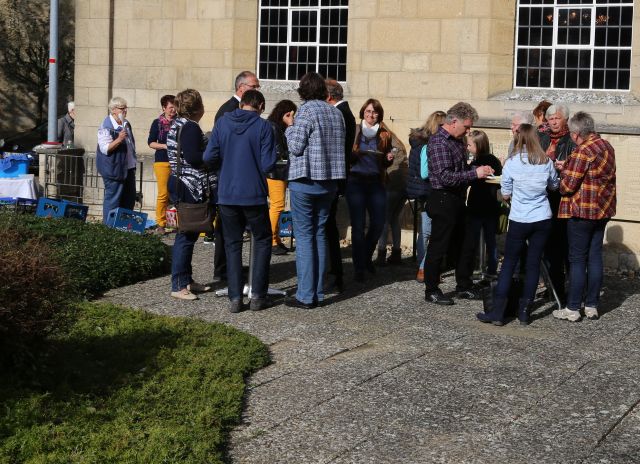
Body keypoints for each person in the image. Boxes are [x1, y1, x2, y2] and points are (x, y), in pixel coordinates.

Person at [477, 124, 559, 326]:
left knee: (509, 264)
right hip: (542, 217)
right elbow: (554, 185)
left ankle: (498, 312)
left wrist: (513, 194)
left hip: (520, 218)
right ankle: (524, 312)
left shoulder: (512, 163)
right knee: (533, 265)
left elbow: (505, 192)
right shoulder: (545, 161)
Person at [204, 90, 276, 313]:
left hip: (227, 193)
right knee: (263, 240)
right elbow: (268, 164)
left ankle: (235, 297)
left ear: (242, 103)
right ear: (261, 106)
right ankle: (257, 296)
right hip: (253, 194)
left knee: (232, 244)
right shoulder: (264, 127)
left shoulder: (223, 124)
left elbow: (208, 157)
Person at [284, 72, 346, 309]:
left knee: (305, 237)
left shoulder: (306, 111)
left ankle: (306, 295)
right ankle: (317, 292)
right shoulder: (335, 112)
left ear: (302, 91)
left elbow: (296, 147)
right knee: (319, 234)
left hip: (306, 179)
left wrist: (289, 126)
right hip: (329, 181)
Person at [423, 102, 493, 306]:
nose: (468, 131)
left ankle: (463, 285)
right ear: (454, 122)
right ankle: (431, 289)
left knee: (464, 244)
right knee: (439, 245)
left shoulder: (456, 140)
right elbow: (445, 177)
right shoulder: (439, 142)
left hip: (457, 198)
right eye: (466, 126)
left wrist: (478, 169)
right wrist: (474, 173)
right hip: (442, 198)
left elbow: (460, 169)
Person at [552, 112, 616, 322]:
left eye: (571, 133)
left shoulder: (582, 151)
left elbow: (567, 187)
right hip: (603, 209)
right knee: (595, 256)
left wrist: (562, 173)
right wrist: (568, 166)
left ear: (577, 133)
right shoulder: (606, 146)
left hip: (582, 212)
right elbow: (594, 174)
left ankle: (572, 308)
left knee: (577, 259)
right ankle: (591, 305)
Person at [209, 71, 261, 283]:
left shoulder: (239, 109)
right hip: (230, 177)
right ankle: (223, 269)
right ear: (241, 88)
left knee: (232, 227)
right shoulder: (229, 110)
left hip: (234, 178)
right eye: (254, 86)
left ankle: (230, 267)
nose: (257, 91)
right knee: (227, 229)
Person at [166, 89, 213, 301]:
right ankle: (178, 284)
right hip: (189, 184)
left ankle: (186, 279)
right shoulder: (191, 127)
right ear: (198, 108)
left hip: (179, 181)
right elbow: (194, 157)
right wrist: (212, 155)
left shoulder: (177, 124)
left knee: (188, 234)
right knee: (186, 236)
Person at [346, 98, 397, 281]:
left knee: (378, 223)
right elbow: (346, 157)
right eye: (368, 111)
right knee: (358, 226)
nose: (371, 115)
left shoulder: (384, 133)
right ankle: (359, 267)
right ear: (363, 113)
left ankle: (366, 256)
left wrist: (389, 158)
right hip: (356, 181)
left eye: (374, 112)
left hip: (376, 182)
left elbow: (385, 160)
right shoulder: (355, 131)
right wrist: (353, 155)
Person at [539, 103, 576, 305]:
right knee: (549, 246)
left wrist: (563, 167)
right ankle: (553, 287)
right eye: (550, 118)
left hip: (564, 197)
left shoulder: (572, 140)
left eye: (557, 118)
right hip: (545, 196)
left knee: (566, 246)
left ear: (565, 120)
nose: (553, 122)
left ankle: (572, 290)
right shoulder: (542, 138)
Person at [406, 110, 446, 283]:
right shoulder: (428, 145)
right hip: (428, 191)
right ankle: (424, 268)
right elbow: (424, 172)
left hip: (421, 191)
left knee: (425, 231)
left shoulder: (419, 141)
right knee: (429, 231)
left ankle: (422, 265)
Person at [325, 79, 356, 293]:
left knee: (328, 228)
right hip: (338, 177)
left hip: (334, 178)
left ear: (329, 97)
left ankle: (333, 275)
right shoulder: (344, 112)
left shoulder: (340, 114)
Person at [465, 130, 503, 278]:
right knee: (491, 240)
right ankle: (491, 269)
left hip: (477, 205)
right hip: (491, 205)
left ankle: (473, 267)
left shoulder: (476, 162)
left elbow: (469, 180)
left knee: (473, 239)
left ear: (478, 145)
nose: (467, 148)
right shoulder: (494, 160)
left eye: (469, 145)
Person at [96, 97, 137, 223]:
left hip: (128, 168)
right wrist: (119, 139)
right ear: (113, 110)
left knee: (129, 199)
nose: (125, 111)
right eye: (122, 108)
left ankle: (124, 226)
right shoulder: (106, 126)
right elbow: (105, 149)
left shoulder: (126, 123)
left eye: (126, 108)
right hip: (113, 169)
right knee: (113, 199)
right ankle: (108, 228)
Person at [266, 99, 297, 256]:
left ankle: (276, 239)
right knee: (277, 205)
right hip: (276, 171)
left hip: (278, 171)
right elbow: (280, 151)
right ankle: (271, 240)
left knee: (278, 205)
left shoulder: (275, 125)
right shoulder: (274, 127)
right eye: (291, 114)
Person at [375, 128, 408, 266]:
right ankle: (396, 253)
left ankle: (381, 255)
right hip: (403, 187)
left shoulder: (387, 143)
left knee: (384, 220)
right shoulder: (399, 144)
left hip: (391, 186)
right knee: (394, 220)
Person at [147, 94, 176, 235]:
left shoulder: (179, 122)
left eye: (175, 107)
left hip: (178, 162)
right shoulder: (157, 123)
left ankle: (178, 222)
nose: (173, 110)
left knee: (178, 193)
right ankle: (161, 223)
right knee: (163, 194)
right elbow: (151, 142)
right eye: (170, 107)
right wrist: (165, 146)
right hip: (162, 161)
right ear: (164, 108)